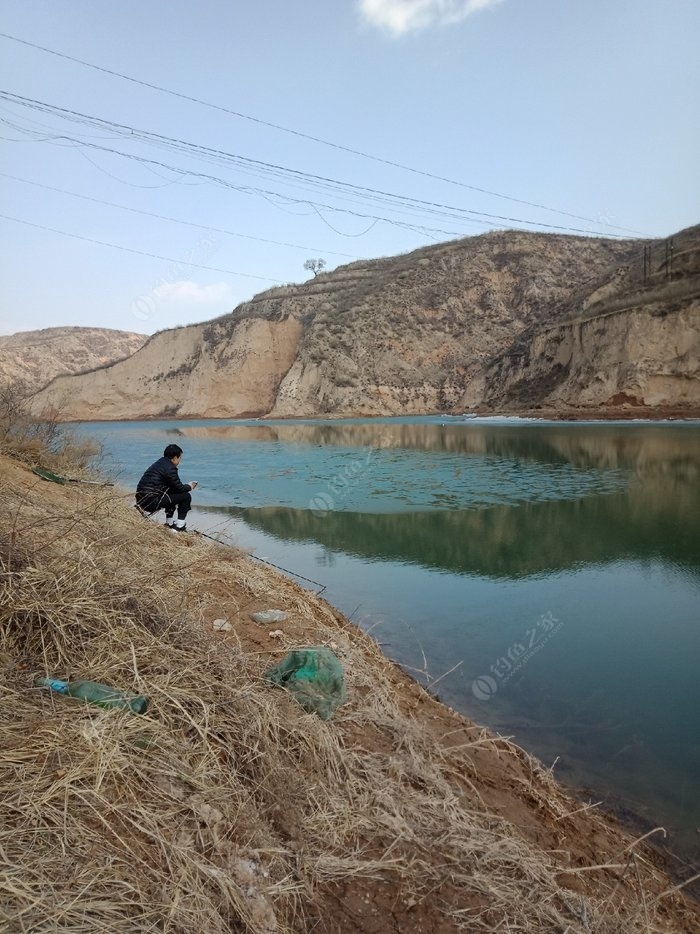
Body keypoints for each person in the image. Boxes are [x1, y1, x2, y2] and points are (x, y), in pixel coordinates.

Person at [135, 443, 198, 532]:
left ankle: (169, 523)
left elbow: (174, 487)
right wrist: (190, 486)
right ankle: (179, 526)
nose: (180, 461)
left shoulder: (159, 463)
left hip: (142, 500)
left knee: (172, 492)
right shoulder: (170, 468)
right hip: (151, 502)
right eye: (180, 458)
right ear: (175, 457)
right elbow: (180, 488)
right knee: (186, 496)